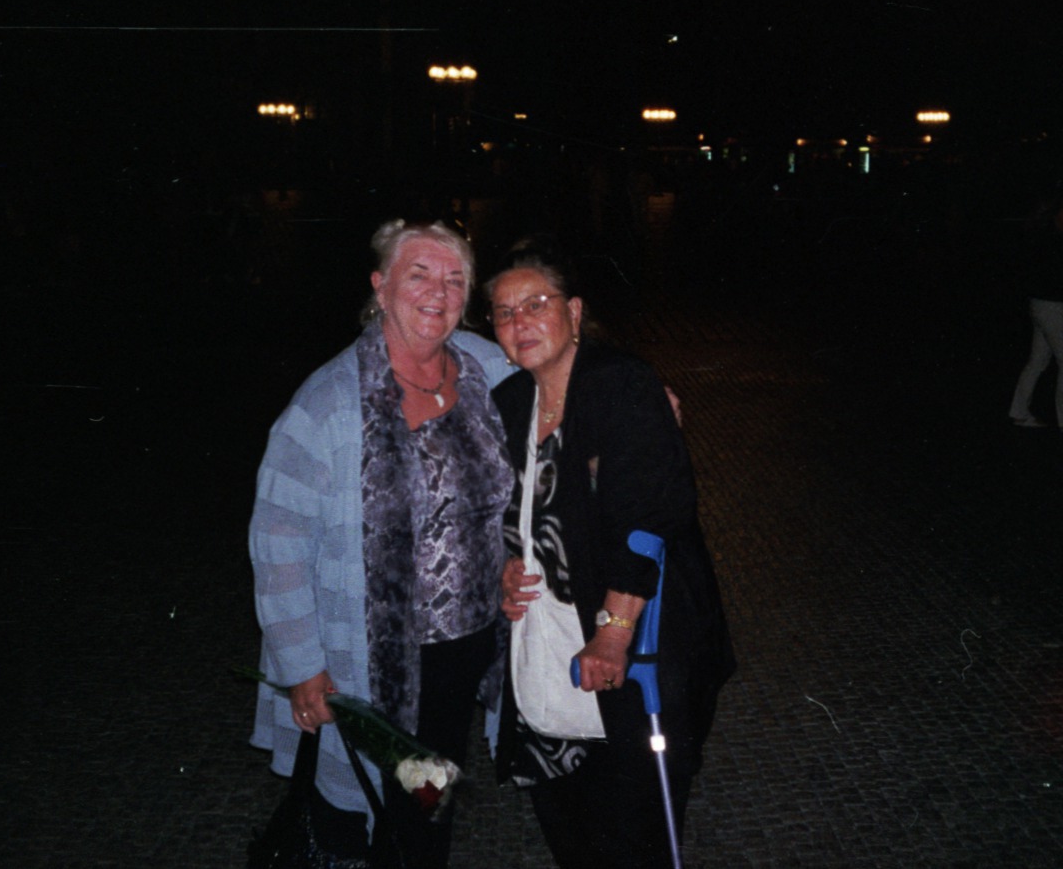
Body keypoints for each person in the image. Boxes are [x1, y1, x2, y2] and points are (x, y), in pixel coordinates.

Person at [248, 219, 516, 868]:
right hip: (375, 660)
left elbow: (564, 393)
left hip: (464, 650)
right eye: (419, 273)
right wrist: (303, 665)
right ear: (381, 285)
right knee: (369, 812)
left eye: (455, 278)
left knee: (429, 803)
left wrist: (641, 397)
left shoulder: (485, 367)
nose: (438, 291)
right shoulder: (331, 402)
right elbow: (277, 538)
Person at [487, 238, 734, 869]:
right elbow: (507, 511)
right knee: (566, 819)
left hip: (635, 645)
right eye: (504, 313)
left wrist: (612, 633)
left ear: (573, 312)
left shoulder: (619, 383)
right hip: (546, 646)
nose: (520, 323)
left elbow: (651, 516)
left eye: (535, 305)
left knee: (634, 827)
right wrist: (505, 564)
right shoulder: (511, 402)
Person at [1007, 197, 1063, 436]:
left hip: (1040, 304)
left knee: (1038, 360)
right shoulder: (1055, 240)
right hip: (1052, 306)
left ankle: (1019, 410)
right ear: (1058, 213)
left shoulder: (1048, 237)